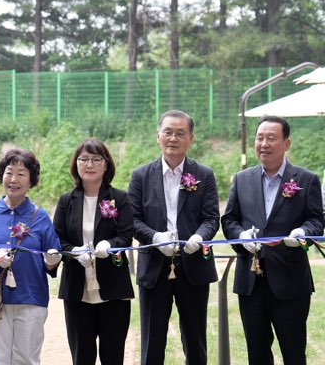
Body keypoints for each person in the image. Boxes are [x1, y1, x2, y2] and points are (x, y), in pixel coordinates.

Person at [222, 115, 323, 365]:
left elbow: (316, 220)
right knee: (256, 353)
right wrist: (241, 236)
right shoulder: (242, 179)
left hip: (289, 281)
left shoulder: (305, 179)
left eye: (271, 138)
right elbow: (229, 220)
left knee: (293, 351)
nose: (263, 144)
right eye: (259, 138)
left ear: (286, 143)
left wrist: (302, 233)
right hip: (250, 281)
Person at [128, 110, 219, 364]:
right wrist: (156, 237)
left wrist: (199, 238)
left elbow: (212, 218)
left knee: (195, 341)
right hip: (154, 267)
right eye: (168, 132)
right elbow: (132, 221)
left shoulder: (204, 174)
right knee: (152, 343)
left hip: (193, 266)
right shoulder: (140, 176)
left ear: (191, 138)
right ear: (158, 136)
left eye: (180, 133)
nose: (173, 138)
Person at [54, 138, 134, 365]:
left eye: (96, 159)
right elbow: (57, 239)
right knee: (82, 357)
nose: (89, 164)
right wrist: (73, 251)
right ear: (76, 164)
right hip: (77, 289)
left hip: (113, 288)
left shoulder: (119, 198)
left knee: (113, 356)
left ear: (106, 164)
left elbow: (126, 235)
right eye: (84, 159)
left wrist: (109, 245)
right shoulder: (66, 200)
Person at [0, 148, 61, 365]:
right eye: (9, 172)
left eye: (21, 173)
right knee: (0, 359)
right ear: (1, 176)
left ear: (31, 180)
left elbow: (52, 260)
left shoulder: (41, 216)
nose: (13, 179)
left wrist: (53, 259)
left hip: (31, 296)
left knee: (27, 359)